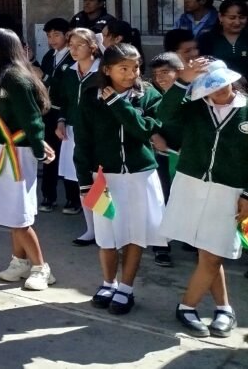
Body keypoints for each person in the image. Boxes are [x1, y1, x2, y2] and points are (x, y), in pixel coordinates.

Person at [158, 58, 248, 339]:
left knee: (214, 252)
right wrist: (182, 81)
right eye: (210, 86)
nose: (218, 91)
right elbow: (164, 113)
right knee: (207, 252)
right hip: (191, 185)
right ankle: (224, 309)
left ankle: (187, 306)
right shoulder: (195, 106)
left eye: (222, 84)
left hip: (229, 191)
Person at [74, 43, 166, 315]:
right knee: (107, 235)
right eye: (123, 68)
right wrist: (84, 181)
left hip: (140, 177)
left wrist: (117, 103)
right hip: (104, 178)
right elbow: (83, 142)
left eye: (135, 67)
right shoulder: (90, 97)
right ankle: (108, 283)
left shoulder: (148, 94)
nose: (131, 74)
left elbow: (144, 130)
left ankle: (126, 288)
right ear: (107, 70)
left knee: (135, 234)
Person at [0, 29, 58, 291]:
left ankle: (41, 268)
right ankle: (20, 261)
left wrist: (39, 147)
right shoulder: (2, 75)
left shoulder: (15, 77)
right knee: (10, 211)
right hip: (4, 148)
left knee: (19, 213)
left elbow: (32, 118)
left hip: (17, 151)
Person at [52, 28, 102, 244]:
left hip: (97, 135)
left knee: (99, 183)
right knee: (82, 182)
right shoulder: (70, 73)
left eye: (79, 45)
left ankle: (105, 228)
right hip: (73, 132)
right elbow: (65, 101)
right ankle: (91, 229)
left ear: (92, 46)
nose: (73, 50)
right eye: (70, 45)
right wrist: (61, 121)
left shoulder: (103, 72)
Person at [148, 51, 183, 268]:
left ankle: (194, 243)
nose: (159, 78)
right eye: (156, 74)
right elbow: (146, 118)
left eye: (165, 72)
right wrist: (154, 135)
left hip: (185, 159)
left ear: (179, 72)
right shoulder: (152, 94)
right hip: (161, 158)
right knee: (161, 200)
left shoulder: (192, 96)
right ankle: (161, 246)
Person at [38, 18, 74, 213]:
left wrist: (44, 77)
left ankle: (72, 198)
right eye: (49, 35)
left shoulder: (72, 57)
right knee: (49, 154)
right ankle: (48, 195)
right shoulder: (48, 56)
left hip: (65, 111)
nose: (52, 39)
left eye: (56, 35)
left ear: (67, 35)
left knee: (68, 156)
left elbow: (67, 86)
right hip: (48, 111)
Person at [198, 0, 248, 79]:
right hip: (217, 85)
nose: (237, 22)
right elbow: (202, 68)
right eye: (232, 18)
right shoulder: (207, 39)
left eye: (242, 17)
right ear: (220, 17)